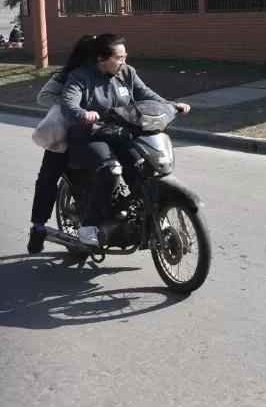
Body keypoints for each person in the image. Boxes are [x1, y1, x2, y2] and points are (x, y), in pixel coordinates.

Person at [59, 33, 190, 247]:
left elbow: (146, 94)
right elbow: (68, 103)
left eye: (125, 57)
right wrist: (82, 113)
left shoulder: (127, 73)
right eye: (119, 58)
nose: (124, 62)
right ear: (101, 59)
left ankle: (146, 215)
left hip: (120, 135)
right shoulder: (81, 77)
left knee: (144, 167)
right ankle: (88, 227)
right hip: (89, 137)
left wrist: (170, 105)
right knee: (111, 170)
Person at [26, 34, 97, 254]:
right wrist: (70, 105)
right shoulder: (66, 75)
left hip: (97, 134)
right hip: (65, 136)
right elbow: (43, 96)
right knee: (48, 177)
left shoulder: (110, 75)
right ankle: (38, 227)